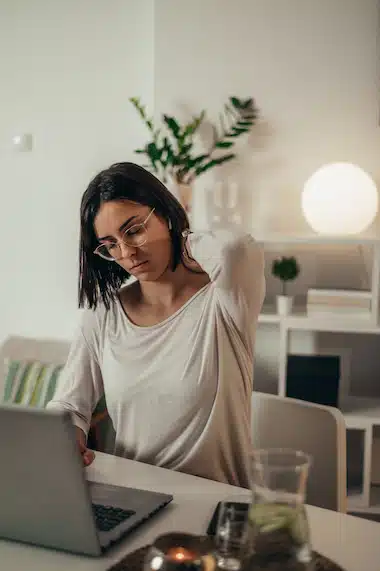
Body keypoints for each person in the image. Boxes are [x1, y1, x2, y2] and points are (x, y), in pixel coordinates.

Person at [48, 162, 265, 488]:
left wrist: (184, 239)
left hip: (220, 510)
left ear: (164, 213)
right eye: (110, 245)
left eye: (134, 230)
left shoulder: (224, 299)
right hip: (135, 501)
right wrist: (64, 437)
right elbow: (68, 405)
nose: (127, 253)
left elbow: (236, 249)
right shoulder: (104, 314)